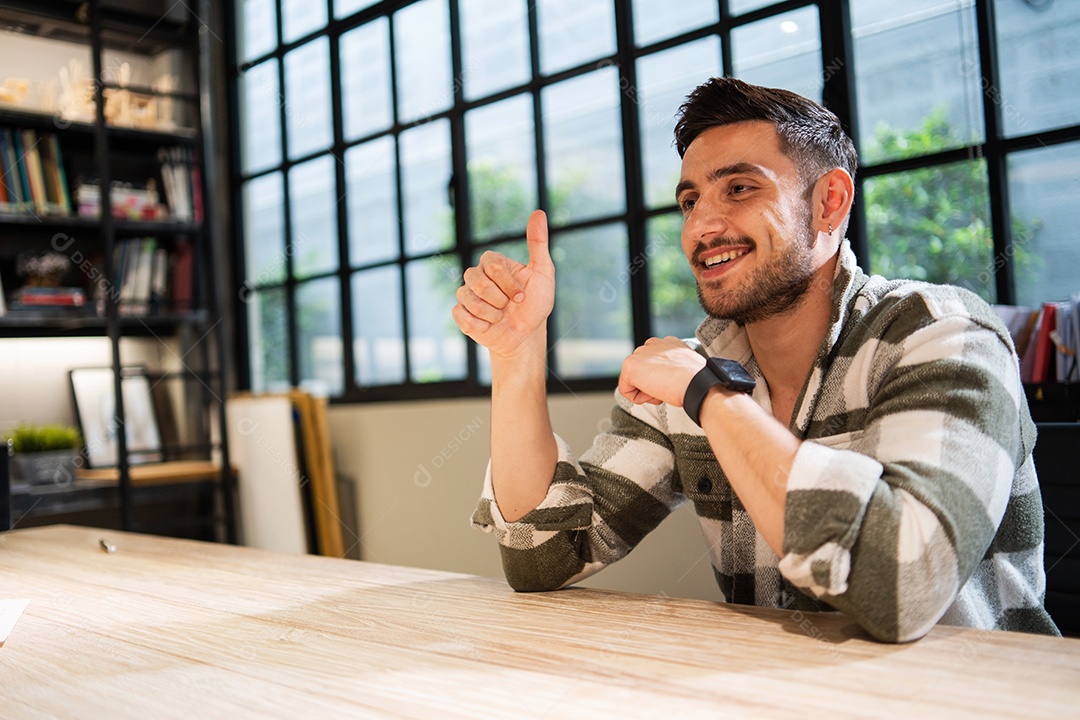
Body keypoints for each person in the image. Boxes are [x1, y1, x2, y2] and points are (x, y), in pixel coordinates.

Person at [451, 77, 1059, 643]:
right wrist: (518, 355)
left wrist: (711, 398)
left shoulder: (942, 333)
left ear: (829, 203)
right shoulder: (697, 370)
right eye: (690, 201)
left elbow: (900, 587)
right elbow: (543, 555)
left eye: (740, 188)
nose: (702, 226)